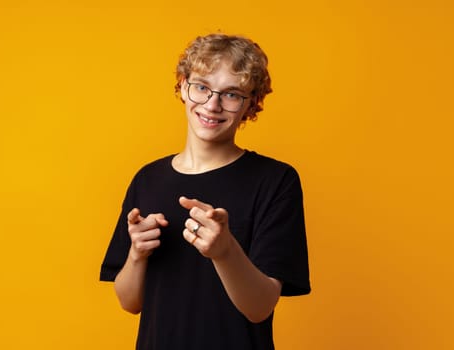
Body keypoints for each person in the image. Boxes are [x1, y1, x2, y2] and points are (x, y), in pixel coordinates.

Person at [100, 33, 311, 350]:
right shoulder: (147, 179)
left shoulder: (275, 181)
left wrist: (225, 251)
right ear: (183, 87)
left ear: (251, 103)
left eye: (231, 94)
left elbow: (260, 307)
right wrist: (137, 254)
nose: (212, 104)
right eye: (201, 87)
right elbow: (130, 302)